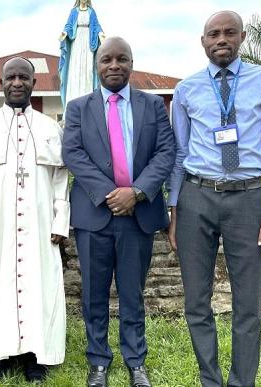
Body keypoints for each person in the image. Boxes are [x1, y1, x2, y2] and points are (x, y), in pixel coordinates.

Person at [166, 11, 261, 387]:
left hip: (248, 201)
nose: (220, 39)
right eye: (213, 34)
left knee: (248, 306)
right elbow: (178, 153)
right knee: (196, 302)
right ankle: (210, 380)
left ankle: (242, 383)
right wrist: (174, 210)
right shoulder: (187, 90)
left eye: (228, 33)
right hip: (196, 199)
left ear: (242, 36)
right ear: (203, 41)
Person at [63, 37, 176, 387]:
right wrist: (111, 194)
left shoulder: (153, 105)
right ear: (97, 66)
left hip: (137, 217)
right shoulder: (78, 107)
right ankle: (98, 363)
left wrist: (138, 192)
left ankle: (135, 362)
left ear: (132, 63)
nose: (114, 65)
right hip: (94, 215)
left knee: (132, 293)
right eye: (107, 60)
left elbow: (165, 151)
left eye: (122, 59)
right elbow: (73, 153)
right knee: (94, 294)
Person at [0, 57, 70, 382]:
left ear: (35, 84)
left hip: (39, 225)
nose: (17, 82)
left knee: (39, 287)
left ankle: (37, 355)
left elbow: (61, 182)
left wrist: (59, 222)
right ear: (1, 83)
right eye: (11, 77)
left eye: (24, 77)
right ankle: (1, 354)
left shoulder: (50, 129)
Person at [58, 0, 105, 109]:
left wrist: (100, 33)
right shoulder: (74, 11)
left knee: (88, 70)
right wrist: (65, 33)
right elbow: (69, 26)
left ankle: (88, 103)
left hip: (88, 43)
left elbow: (96, 26)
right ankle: (73, 102)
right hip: (76, 43)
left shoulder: (91, 12)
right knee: (75, 70)